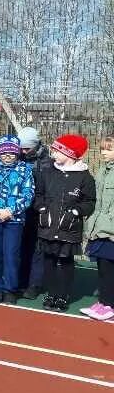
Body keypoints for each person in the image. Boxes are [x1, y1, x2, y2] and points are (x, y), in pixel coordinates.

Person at [35, 134, 96, 312]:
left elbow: (89, 201)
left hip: (68, 228)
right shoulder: (47, 172)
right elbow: (38, 195)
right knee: (49, 261)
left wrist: (76, 211)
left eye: (57, 150)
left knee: (65, 262)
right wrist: (41, 209)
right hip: (48, 226)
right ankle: (51, 293)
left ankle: (63, 295)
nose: (53, 152)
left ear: (69, 154)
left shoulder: (85, 177)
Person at [0, 136, 35, 304]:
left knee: (11, 254)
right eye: (4, 152)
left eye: (12, 152)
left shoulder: (25, 170)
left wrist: (11, 210)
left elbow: (28, 194)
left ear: (17, 153)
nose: (8, 155)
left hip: (14, 219)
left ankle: (10, 288)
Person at [81, 136, 114, 320]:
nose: (103, 152)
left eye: (108, 149)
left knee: (110, 270)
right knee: (102, 268)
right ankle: (103, 301)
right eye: (102, 149)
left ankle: (110, 304)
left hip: (110, 230)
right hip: (99, 227)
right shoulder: (102, 171)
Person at [17, 126, 52, 299]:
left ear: (36, 145)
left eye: (27, 148)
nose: (23, 151)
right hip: (21, 210)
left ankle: (34, 284)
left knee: (37, 249)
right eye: (21, 148)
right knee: (22, 246)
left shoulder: (47, 163)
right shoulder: (18, 158)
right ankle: (21, 280)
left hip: (38, 211)